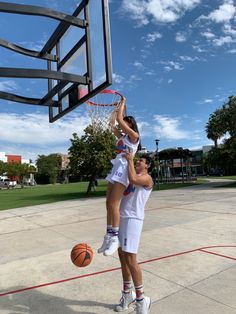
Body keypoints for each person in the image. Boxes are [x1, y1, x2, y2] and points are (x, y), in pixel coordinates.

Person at [97, 96, 140, 256]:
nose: (123, 125)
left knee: (114, 204)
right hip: (116, 168)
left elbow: (120, 121)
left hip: (124, 170)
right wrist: (115, 111)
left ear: (130, 124)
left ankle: (115, 238)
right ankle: (108, 236)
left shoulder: (134, 137)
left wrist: (123, 103)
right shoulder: (122, 138)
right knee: (108, 203)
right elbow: (112, 124)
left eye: (126, 122)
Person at [115, 153, 153, 314]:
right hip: (122, 218)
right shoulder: (132, 173)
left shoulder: (147, 178)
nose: (138, 161)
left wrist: (130, 159)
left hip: (133, 219)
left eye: (141, 161)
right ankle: (126, 294)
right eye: (138, 160)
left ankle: (141, 299)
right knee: (122, 257)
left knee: (131, 258)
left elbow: (133, 180)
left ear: (148, 166)